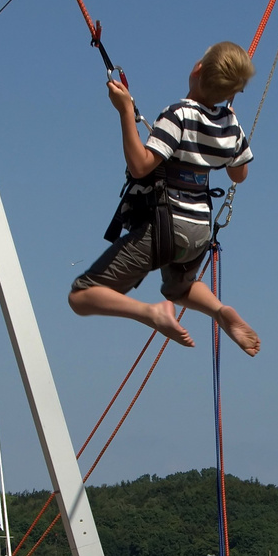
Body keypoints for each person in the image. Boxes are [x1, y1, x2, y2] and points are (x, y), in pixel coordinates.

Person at [66, 42, 260, 357]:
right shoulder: (230, 124)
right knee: (179, 288)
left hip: (164, 227)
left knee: (82, 296)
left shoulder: (178, 114)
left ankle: (151, 313)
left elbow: (141, 165)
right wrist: (226, 125)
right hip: (198, 231)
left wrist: (125, 111)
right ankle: (220, 311)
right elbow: (239, 175)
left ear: (198, 69)